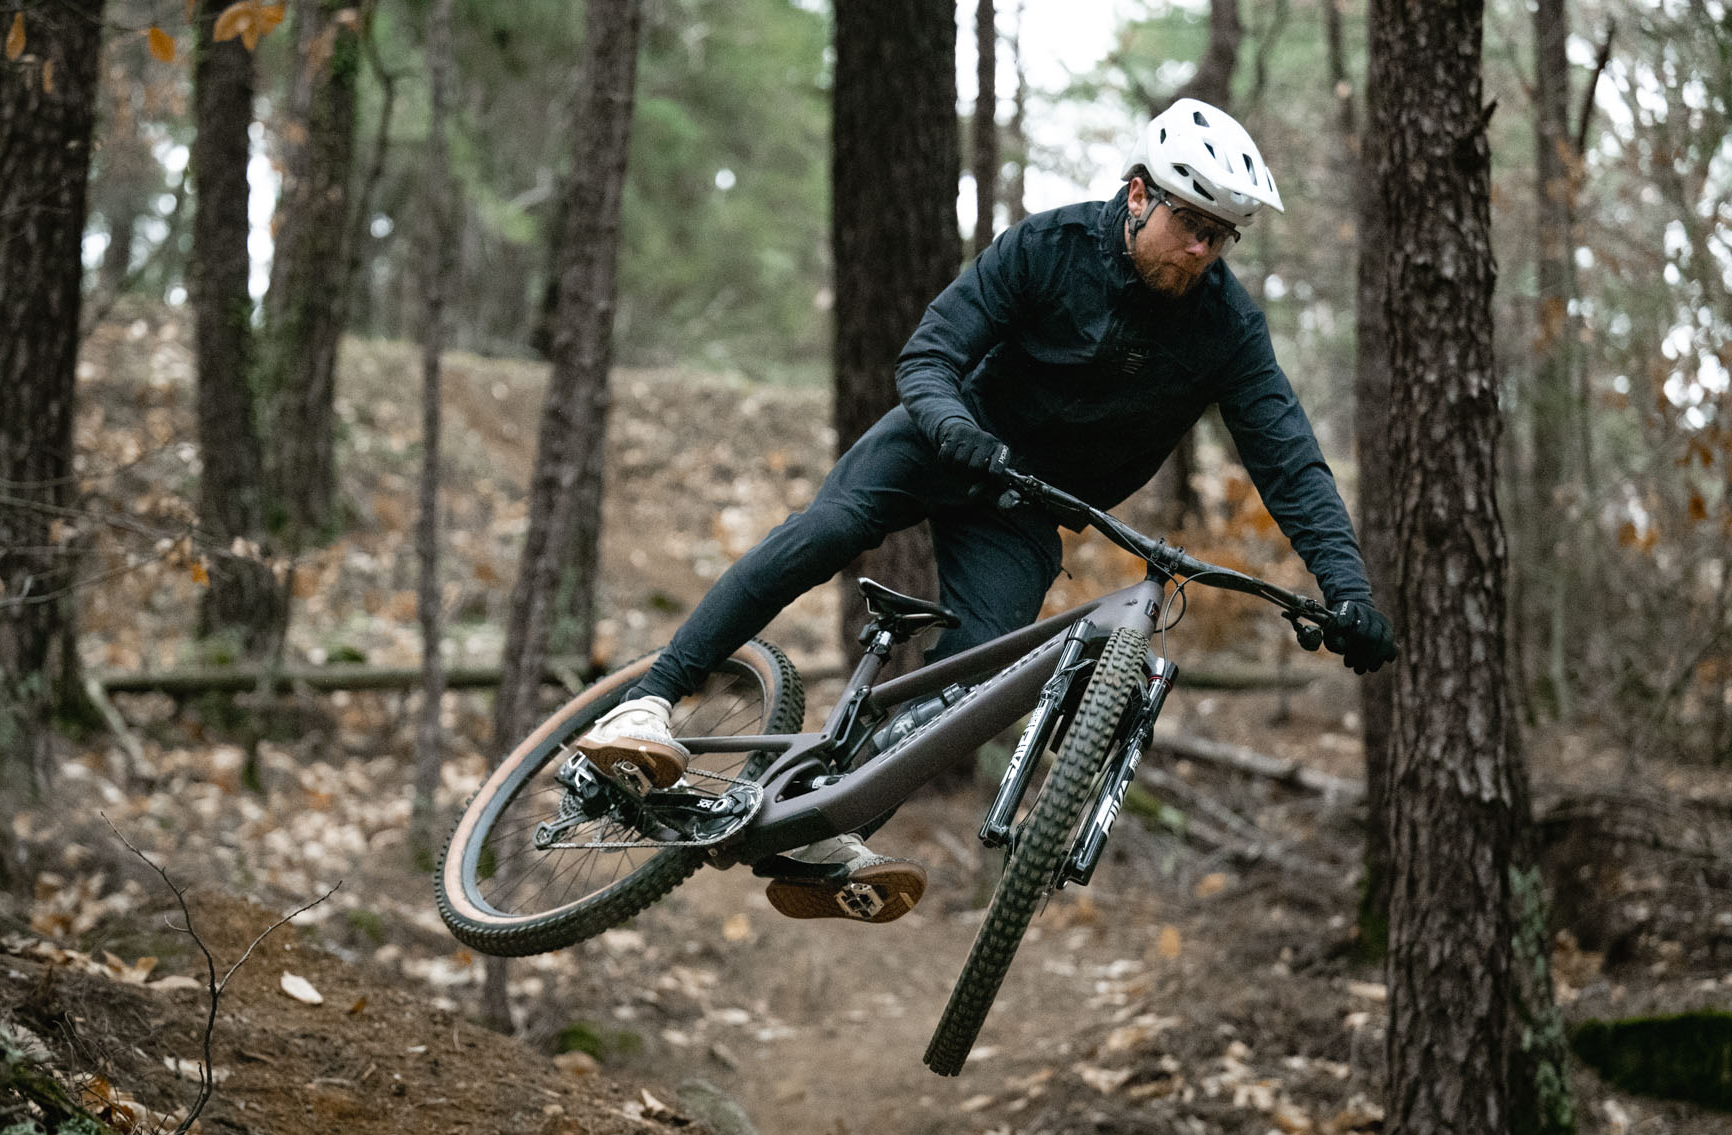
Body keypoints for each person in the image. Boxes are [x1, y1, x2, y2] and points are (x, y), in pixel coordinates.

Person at [572, 98, 1397, 924]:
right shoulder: (1050, 247)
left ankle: (827, 824)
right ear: (1140, 194)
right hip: (945, 436)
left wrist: (1347, 589)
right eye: (1190, 223)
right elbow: (930, 352)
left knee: (969, 686)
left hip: (1028, 505)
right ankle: (650, 699)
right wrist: (954, 426)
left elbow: (1290, 462)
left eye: (1220, 237)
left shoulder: (1227, 327)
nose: (1202, 251)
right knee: (828, 531)